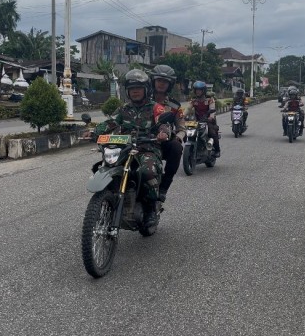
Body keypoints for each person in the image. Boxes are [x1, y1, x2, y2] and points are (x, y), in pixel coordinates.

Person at [84, 69, 171, 228]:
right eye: (132, 89)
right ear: (127, 92)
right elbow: (111, 123)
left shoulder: (155, 107)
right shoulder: (124, 109)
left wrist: (163, 132)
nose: (135, 91)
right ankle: (110, 197)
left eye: (138, 88)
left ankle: (151, 208)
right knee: (105, 166)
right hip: (125, 148)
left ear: (146, 90)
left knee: (147, 171)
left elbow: (164, 123)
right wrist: (95, 132)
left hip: (147, 148)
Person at [149, 64, 184, 203]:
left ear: (170, 84)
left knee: (177, 147)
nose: (161, 84)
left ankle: (164, 187)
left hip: (162, 143)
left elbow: (182, 128)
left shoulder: (174, 106)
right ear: (153, 81)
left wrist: (178, 137)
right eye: (159, 80)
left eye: (165, 81)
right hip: (139, 141)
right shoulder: (141, 99)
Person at [186, 80, 221, 157]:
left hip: (208, 121)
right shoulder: (193, 101)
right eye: (196, 90)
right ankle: (192, 148)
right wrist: (182, 116)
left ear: (203, 91)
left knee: (212, 133)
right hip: (196, 121)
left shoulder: (210, 100)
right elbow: (187, 109)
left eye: (199, 90)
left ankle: (217, 150)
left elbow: (212, 109)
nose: (198, 92)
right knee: (187, 134)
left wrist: (211, 117)